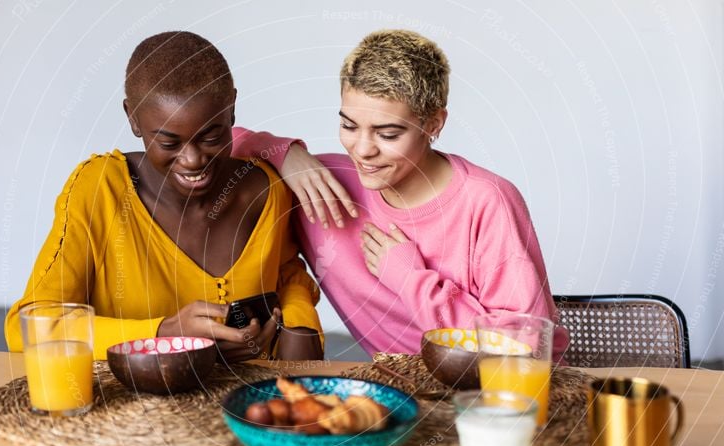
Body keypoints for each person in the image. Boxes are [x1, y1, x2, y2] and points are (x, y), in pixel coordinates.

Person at [233, 29, 568, 358]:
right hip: (397, 391)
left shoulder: (487, 201)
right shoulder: (320, 185)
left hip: (490, 396)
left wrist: (411, 279)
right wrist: (283, 152)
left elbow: (525, 346)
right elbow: (198, 145)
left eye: (388, 134)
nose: (362, 150)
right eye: (349, 126)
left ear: (434, 124)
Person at [5, 31, 323, 362]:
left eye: (211, 137)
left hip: (250, 401)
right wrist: (165, 334)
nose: (193, 159)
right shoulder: (99, 191)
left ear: (231, 111)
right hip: (130, 408)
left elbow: (286, 270)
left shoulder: (266, 190)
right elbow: (30, 326)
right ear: (133, 118)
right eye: (169, 143)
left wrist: (300, 326)